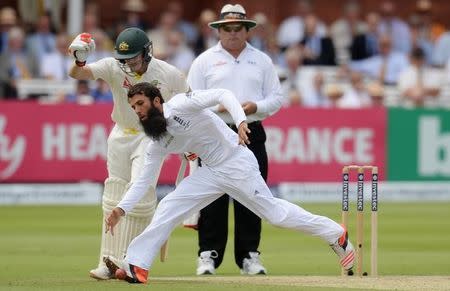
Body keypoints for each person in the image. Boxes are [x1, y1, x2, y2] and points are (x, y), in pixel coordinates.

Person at [103, 82, 355, 284]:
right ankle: (137, 265)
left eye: (140, 104)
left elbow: (223, 93)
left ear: (156, 101)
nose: (137, 111)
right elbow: (144, 180)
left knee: (275, 215)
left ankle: (336, 234)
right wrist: (121, 209)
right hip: (211, 172)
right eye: (133, 107)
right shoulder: (157, 140)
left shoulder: (180, 105)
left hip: (236, 163)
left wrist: (241, 120)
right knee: (168, 205)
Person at [68, 27, 189, 280]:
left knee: (140, 194)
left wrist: (187, 141)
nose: (127, 64)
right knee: (113, 194)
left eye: (133, 58)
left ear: (146, 53)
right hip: (120, 133)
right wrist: (79, 58)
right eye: (124, 59)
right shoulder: (113, 66)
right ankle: (106, 261)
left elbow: (189, 102)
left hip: (150, 135)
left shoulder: (168, 73)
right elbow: (78, 73)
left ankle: (128, 260)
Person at [187, 4, 285, 275]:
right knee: (212, 195)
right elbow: (190, 100)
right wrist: (216, 109)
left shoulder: (262, 60)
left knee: (252, 193)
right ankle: (208, 254)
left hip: (251, 131)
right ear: (219, 30)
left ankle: (249, 256)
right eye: (226, 29)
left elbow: (276, 98)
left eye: (237, 28)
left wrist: (254, 107)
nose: (232, 33)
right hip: (215, 132)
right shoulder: (204, 60)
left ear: (247, 30)